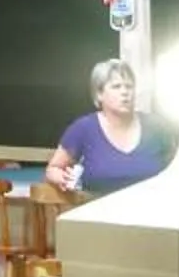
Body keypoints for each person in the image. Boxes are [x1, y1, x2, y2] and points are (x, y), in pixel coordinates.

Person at [45, 58, 166, 193]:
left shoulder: (156, 126)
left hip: (151, 210)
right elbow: (53, 169)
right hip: (95, 210)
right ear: (99, 94)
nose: (125, 92)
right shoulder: (83, 128)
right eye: (116, 86)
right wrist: (61, 178)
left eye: (129, 86)